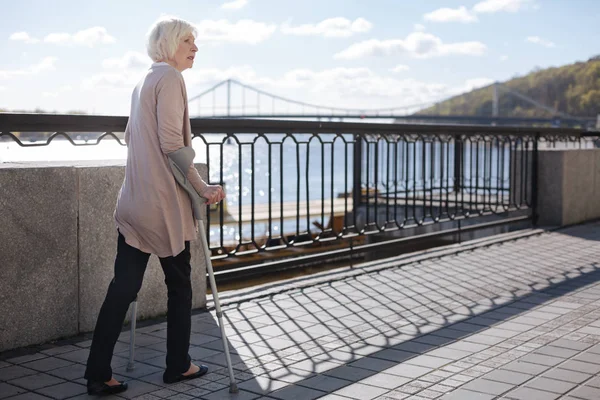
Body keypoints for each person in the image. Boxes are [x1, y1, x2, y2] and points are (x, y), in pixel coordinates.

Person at [84, 16, 225, 396]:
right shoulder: (171, 79)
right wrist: (203, 187)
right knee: (180, 287)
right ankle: (179, 366)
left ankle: (99, 373)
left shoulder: (143, 81)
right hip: (163, 209)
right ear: (168, 44)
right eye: (187, 41)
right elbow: (170, 144)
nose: (195, 48)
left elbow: (134, 136)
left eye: (195, 42)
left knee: (123, 287)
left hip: (133, 203)